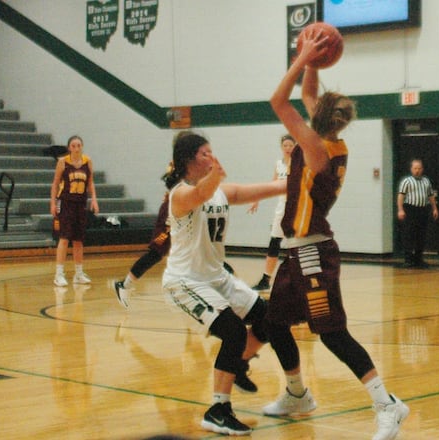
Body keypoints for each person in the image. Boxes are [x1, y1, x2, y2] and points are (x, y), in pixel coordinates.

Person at [263, 29, 409, 440]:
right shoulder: (328, 139)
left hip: (312, 252)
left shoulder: (315, 147)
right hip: (295, 252)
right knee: (276, 325)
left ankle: (388, 405)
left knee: (331, 334)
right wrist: (312, 61)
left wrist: (302, 56)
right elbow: (309, 93)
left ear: (315, 119)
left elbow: (278, 101)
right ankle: (296, 395)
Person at [161, 132, 286, 435]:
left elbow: (254, 190)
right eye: (205, 153)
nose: (212, 157)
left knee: (269, 316)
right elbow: (200, 195)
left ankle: (239, 363)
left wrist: (295, 183)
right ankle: (218, 410)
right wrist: (215, 177)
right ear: (189, 161)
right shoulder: (179, 194)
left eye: (212, 152)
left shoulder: (219, 191)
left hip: (216, 277)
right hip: (185, 281)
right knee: (232, 331)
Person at [50, 135, 99, 287]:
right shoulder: (62, 162)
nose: (77, 148)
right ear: (69, 148)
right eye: (73, 146)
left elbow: (90, 183)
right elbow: (55, 184)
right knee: (64, 238)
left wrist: (94, 199)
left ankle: (78, 273)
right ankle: (59, 274)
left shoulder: (87, 162)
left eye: (79, 145)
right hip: (65, 203)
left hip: (80, 204)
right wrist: (52, 203)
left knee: (78, 240)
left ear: (82, 147)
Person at [249, 134, 295, 291]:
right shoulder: (279, 165)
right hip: (281, 207)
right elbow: (272, 185)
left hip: (296, 208)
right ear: (282, 148)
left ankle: (297, 280)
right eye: (285, 146)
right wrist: (257, 198)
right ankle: (266, 279)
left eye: (291, 145)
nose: (288, 148)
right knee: (274, 242)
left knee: (295, 245)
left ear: (295, 147)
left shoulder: (300, 164)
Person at [396, 159, 438, 268]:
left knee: (421, 235)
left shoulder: (426, 181)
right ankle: (408, 260)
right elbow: (401, 196)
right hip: (410, 210)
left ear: (422, 169)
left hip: (423, 210)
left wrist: (434, 208)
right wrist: (400, 209)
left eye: (419, 168)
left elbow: (431, 195)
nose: (417, 171)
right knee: (409, 235)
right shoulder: (407, 181)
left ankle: (418, 259)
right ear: (411, 169)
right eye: (415, 168)